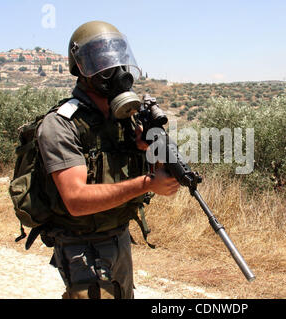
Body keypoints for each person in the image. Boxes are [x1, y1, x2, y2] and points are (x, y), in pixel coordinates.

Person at [36, 20, 180, 299]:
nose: (115, 70)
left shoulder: (122, 120)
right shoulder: (60, 124)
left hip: (119, 238)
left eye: (117, 58)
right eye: (100, 59)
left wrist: (149, 150)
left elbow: (151, 174)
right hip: (82, 247)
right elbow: (76, 200)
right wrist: (147, 183)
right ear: (81, 68)